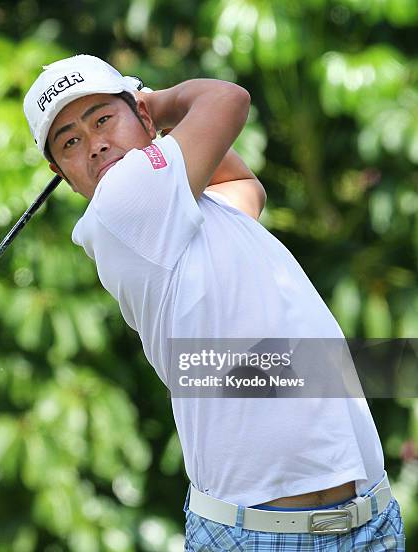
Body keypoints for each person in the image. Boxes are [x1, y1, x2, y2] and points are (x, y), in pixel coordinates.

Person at [23, 54, 406, 550]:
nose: (95, 144)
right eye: (70, 141)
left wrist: (148, 119)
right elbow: (228, 99)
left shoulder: (186, 212)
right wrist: (156, 104)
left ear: (139, 121)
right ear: (63, 174)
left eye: (103, 119)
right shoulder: (122, 206)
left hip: (367, 520)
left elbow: (242, 186)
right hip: (262, 536)